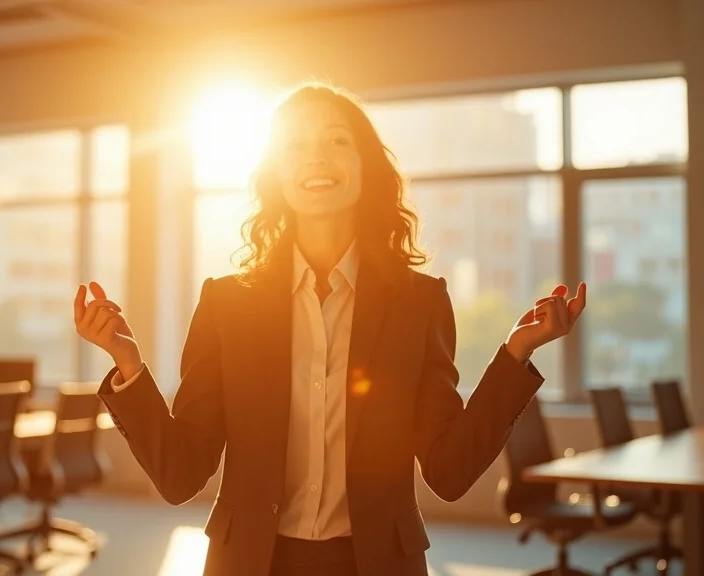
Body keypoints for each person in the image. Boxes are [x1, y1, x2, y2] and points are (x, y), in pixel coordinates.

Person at [73, 82, 587, 576]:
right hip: (252, 563)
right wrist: (129, 367)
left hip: (377, 565)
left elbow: (449, 473)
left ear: (366, 167)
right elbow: (181, 475)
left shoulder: (418, 302)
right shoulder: (227, 303)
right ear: (276, 172)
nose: (316, 157)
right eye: (295, 145)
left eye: (337, 141)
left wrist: (515, 355)